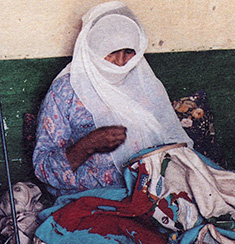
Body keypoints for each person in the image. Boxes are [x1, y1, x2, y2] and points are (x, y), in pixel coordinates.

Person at [33, 1, 193, 196]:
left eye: (128, 51)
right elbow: (43, 167)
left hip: (153, 192)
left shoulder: (145, 83)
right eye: (111, 52)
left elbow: (174, 140)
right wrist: (87, 145)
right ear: (94, 50)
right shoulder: (66, 91)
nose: (121, 62)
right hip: (92, 197)